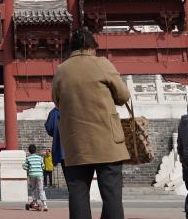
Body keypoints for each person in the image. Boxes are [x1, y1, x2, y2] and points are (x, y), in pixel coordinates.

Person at [51, 27, 130, 219]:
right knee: (111, 195)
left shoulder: (61, 70)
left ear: (72, 48)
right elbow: (123, 96)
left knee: (78, 194)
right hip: (107, 140)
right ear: (92, 47)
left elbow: (56, 101)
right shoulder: (102, 64)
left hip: (76, 142)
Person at [23, 144, 47, 211]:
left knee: (33, 189)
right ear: (35, 150)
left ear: (29, 151)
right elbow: (43, 166)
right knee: (41, 189)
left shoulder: (28, 158)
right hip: (39, 175)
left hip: (32, 175)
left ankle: (35, 203)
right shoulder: (40, 158)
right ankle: (45, 205)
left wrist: (24, 166)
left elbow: (25, 167)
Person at [43, 105, 64, 175]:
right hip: (80, 151)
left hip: (62, 150)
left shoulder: (54, 112)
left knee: (70, 178)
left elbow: (49, 127)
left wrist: (56, 133)